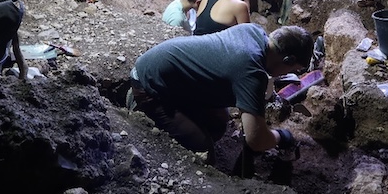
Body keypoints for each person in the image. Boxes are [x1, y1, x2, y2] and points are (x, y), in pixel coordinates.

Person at [128, 24, 313, 164]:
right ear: (288, 60)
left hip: (162, 70)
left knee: (219, 122)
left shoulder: (253, 31)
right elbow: (256, 140)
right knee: (203, 146)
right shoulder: (251, 71)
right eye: (292, 70)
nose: (285, 75)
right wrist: (282, 136)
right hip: (149, 85)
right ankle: (141, 108)